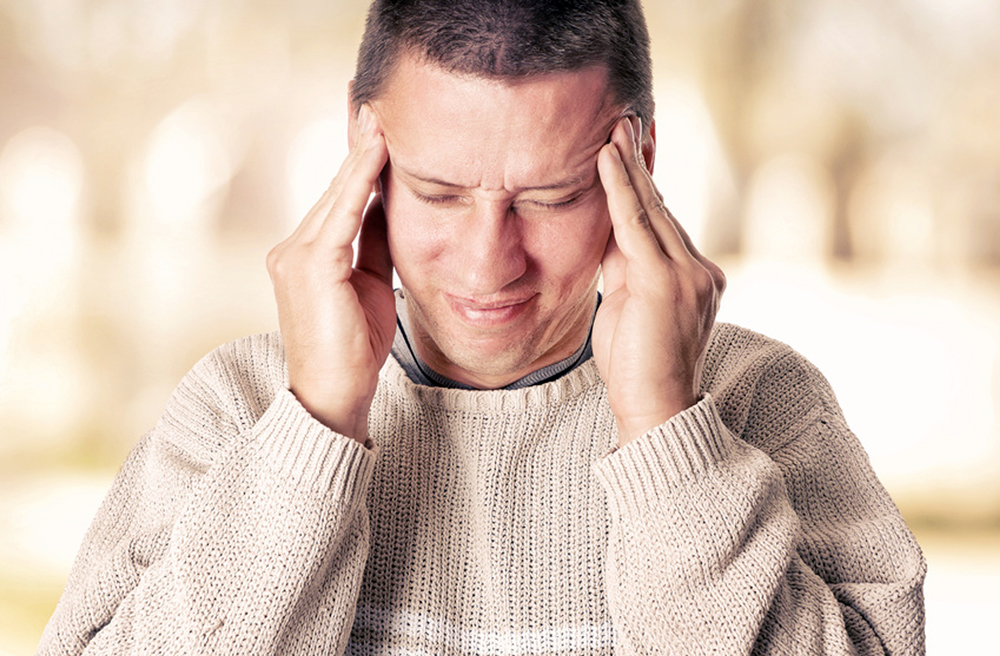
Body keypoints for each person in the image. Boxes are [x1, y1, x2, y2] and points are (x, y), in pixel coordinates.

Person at [37, 0, 926, 654]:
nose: (488, 263)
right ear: (364, 144)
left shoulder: (762, 406)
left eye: (549, 198)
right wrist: (314, 425)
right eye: (438, 193)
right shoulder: (236, 410)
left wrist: (666, 428)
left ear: (641, 160)